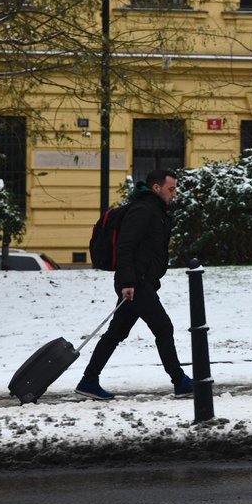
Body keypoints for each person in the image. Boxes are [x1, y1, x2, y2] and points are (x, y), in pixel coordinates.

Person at [76, 169, 193, 401]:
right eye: (171, 189)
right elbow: (125, 247)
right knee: (163, 327)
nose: (174, 194)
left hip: (139, 282)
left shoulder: (153, 210)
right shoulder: (143, 211)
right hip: (136, 283)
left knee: (115, 333)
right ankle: (180, 381)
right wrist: (128, 282)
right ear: (156, 188)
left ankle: (88, 381)